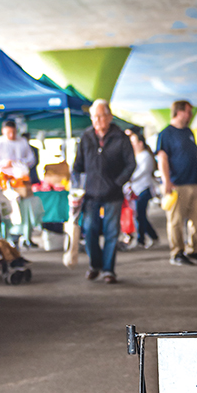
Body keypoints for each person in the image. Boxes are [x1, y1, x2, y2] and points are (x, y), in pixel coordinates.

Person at [72, 100, 136, 283]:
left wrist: (118, 183)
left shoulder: (121, 137)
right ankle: (95, 265)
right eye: (94, 116)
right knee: (89, 230)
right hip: (90, 194)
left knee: (111, 233)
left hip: (113, 194)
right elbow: (77, 166)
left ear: (109, 116)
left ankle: (108, 270)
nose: (98, 120)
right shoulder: (86, 137)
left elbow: (131, 164)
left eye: (101, 116)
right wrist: (76, 188)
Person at [155, 100, 197, 266]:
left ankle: (194, 249)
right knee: (176, 221)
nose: (190, 115)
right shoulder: (165, 133)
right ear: (178, 112)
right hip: (176, 184)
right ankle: (177, 252)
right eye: (188, 111)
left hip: (195, 182)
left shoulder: (188, 132)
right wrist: (166, 181)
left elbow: (196, 157)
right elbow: (162, 158)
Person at [0, 120, 37, 246]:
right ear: (3, 131)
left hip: (21, 181)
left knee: (24, 208)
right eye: (9, 132)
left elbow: (31, 159)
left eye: (13, 132)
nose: (11, 135)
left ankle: (24, 234)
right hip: (4, 182)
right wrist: (4, 163)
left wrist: (19, 162)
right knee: (8, 209)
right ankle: (8, 236)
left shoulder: (22, 142)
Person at [126, 129, 159, 249]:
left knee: (140, 215)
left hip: (144, 189)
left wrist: (127, 177)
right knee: (140, 215)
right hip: (136, 190)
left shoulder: (146, 156)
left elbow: (140, 173)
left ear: (140, 143)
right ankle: (151, 237)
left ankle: (142, 240)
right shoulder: (136, 156)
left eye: (134, 142)